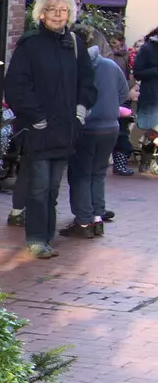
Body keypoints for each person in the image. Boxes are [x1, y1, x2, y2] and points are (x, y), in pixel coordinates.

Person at [3, 0, 96, 259]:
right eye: (52, 10)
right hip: (39, 130)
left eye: (63, 10)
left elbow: (87, 83)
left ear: (70, 13)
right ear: (41, 14)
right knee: (39, 187)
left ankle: (46, 237)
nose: (58, 15)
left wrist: (80, 111)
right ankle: (36, 238)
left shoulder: (75, 44)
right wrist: (36, 117)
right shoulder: (30, 44)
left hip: (66, 130)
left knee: (53, 189)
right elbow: (16, 86)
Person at [61, 28, 128, 238]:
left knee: (80, 174)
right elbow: (124, 93)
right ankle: (97, 219)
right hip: (110, 127)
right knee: (98, 174)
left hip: (86, 127)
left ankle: (83, 222)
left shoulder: (74, 67)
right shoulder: (110, 65)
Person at [131, 25, 158, 173]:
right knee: (150, 129)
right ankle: (145, 160)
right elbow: (138, 72)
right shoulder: (148, 48)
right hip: (152, 97)